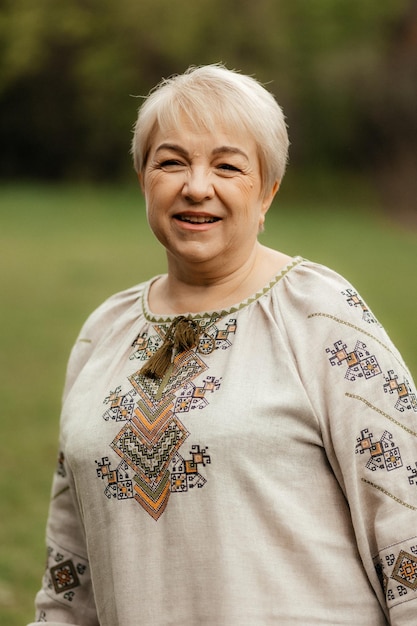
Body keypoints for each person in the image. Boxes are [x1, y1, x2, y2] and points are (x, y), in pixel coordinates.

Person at [29, 64, 417, 626]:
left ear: (267, 191)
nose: (196, 186)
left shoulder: (322, 315)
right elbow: (69, 576)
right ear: (144, 179)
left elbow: (407, 517)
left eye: (228, 166)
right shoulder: (103, 334)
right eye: (171, 161)